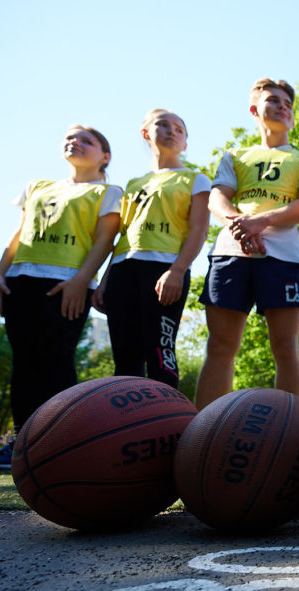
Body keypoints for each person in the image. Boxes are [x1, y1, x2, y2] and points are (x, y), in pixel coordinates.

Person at [0, 126, 121, 469]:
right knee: (24, 363)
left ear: (104, 156)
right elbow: (19, 233)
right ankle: (20, 445)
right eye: (70, 137)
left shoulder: (108, 192)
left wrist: (82, 280)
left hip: (66, 284)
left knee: (57, 361)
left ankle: (62, 444)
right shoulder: (37, 186)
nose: (75, 141)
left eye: (86, 140)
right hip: (21, 281)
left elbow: (105, 241)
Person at [194, 79, 299, 408]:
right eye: (273, 100)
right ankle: (201, 430)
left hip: (283, 259)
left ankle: (293, 431)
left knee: (285, 347)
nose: (282, 106)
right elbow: (217, 199)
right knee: (220, 346)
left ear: (293, 117)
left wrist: (260, 222)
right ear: (254, 110)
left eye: (287, 104)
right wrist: (242, 227)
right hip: (229, 255)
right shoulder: (235, 155)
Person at [96, 109, 210, 388]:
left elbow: (199, 230)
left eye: (179, 129)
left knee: (160, 351)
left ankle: (169, 427)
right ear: (146, 133)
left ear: (185, 143)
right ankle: (125, 425)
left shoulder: (195, 179)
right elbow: (123, 235)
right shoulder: (134, 184)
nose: (172, 131)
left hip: (165, 269)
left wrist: (178, 270)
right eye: (163, 125)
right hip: (123, 269)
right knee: (124, 357)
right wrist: (105, 280)